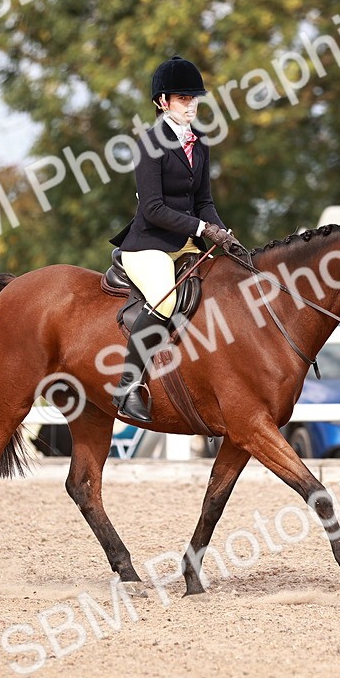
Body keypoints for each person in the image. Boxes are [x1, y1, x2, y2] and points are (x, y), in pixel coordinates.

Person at [108, 55, 244, 422]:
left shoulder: (199, 144)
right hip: (149, 243)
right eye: (183, 99)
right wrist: (201, 229)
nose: (191, 105)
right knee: (166, 301)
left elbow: (204, 202)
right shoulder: (148, 144)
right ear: (162, 102)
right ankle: (128, 385)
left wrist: (224, 234)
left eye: (194, 98)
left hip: (188, 242)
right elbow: (151, 208)